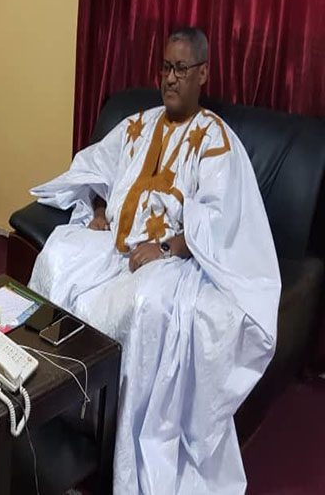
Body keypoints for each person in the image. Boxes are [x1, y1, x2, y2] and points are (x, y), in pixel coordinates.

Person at [28, 27, 280, 493]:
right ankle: (41, 396)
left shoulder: (215, 140)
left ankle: (119, 442)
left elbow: (221, 221)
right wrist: (98, 208)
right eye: (165, 67)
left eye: (181, 69)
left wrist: (166, 248)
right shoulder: (138, 125)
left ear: (203, 74)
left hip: (172, 260)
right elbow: (96, 166)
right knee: (57, 255)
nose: (170, 78)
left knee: (147, 306)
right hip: (116, 244)